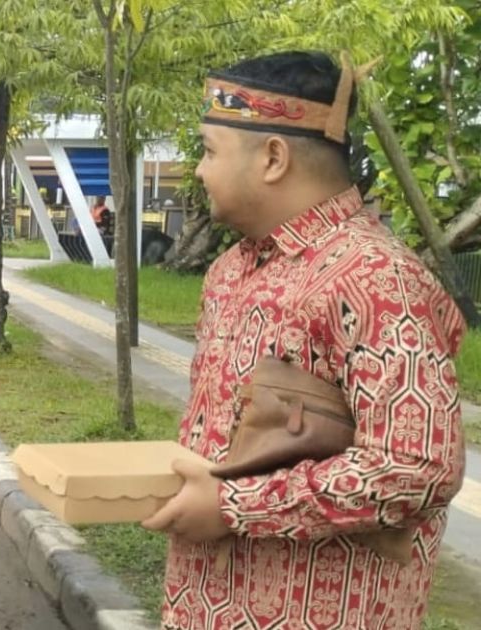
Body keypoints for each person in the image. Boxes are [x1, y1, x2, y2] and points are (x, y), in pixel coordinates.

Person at [140, 51, 465, 628]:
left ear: (272, 158)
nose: (198, 170)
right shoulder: (230, 272)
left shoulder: (376, 279)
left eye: (209, 151)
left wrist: (234, 508)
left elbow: (417, 468)